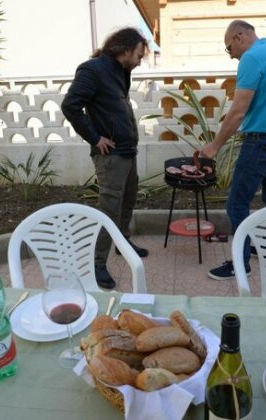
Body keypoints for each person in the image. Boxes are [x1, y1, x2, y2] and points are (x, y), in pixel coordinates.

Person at [200, 20, 266, 281]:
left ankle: (240, 263)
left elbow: (237, 113)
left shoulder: (252, 58)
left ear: (239, 37)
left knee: (237, 204)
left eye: (229, 49)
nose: (232, 56)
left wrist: (214, 146)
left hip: (259, 142)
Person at [61, 27, 149, 290]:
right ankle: (97, 262)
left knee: (128, 200)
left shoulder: (121, 71)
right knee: (109, 210)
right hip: (109, 154)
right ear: (126, 48)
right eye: (139, 55)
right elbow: (71, 105)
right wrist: (95, 137)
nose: (140, 60)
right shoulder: (93, 70)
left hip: (127, 150)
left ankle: (122, 243)